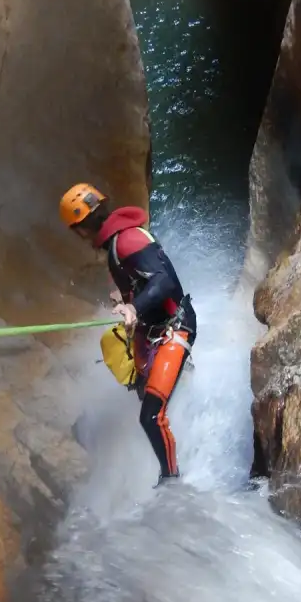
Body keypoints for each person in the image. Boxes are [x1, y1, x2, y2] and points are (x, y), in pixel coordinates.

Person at [60, 182, 196, 487]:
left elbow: (163, 282)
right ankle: (183, 390)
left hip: (175, 327)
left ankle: (171, 481)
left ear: (81, 229)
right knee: (141, 389)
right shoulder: (120, 243)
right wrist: (126, 300)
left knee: (150, 416)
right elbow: (146, 280)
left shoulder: (126, 241)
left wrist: (135, 307)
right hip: (157, 331)